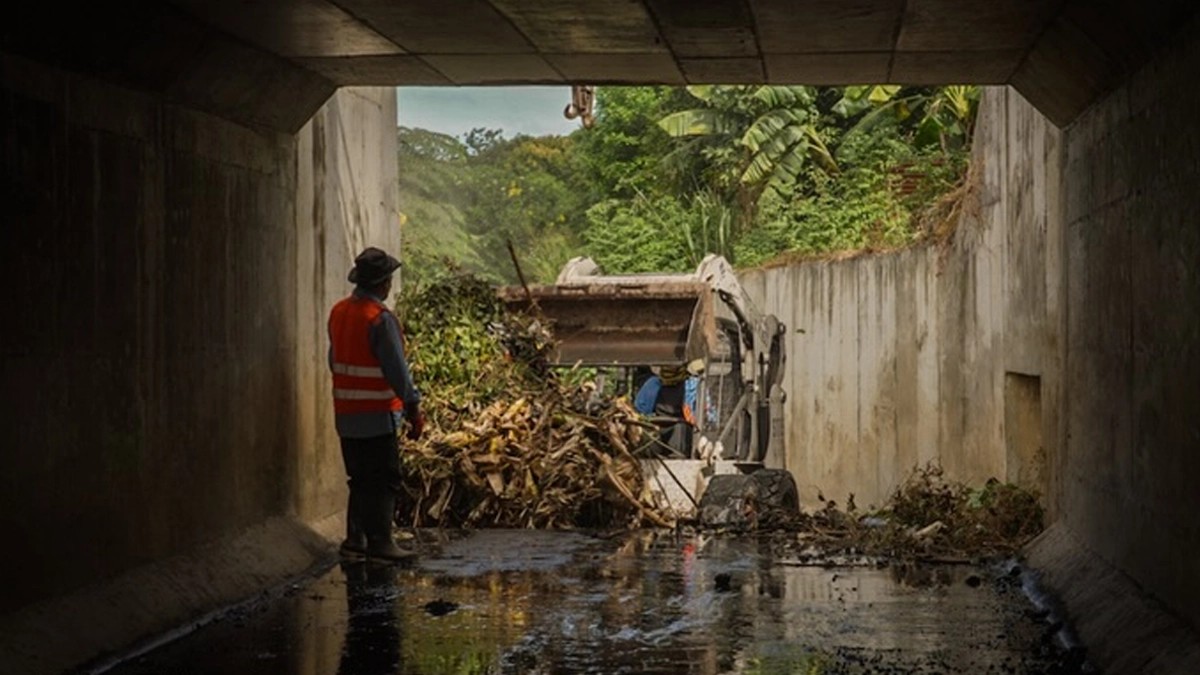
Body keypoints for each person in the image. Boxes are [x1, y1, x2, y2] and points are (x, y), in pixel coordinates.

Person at [328, 247, 424, 562]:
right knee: (384, 478)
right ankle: (382, 542)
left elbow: (334, 360)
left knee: (359, 479)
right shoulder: (379, 319)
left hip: (346, 415)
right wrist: (413, 406)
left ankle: (355, 539)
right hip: (377, 416)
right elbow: (397, 369)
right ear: (383, 283)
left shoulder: (339, 312)